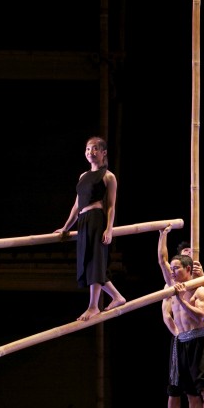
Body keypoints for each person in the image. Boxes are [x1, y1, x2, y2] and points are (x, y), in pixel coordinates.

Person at [54, 136, 126, 321]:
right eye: (87, 149)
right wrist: (65, 227)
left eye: (94, 149)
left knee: (95, 262)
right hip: (83, 220)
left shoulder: (108, 176)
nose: (90, 152)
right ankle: (117, 297)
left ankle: (93, 306)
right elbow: (76, 205)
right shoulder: (83, 176)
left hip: (96, 219)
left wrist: (109, 229)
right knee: (87, 263)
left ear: (103, 152)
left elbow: (111, 206)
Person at [158, 225, 204, 408]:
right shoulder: (172, 285)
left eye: (177, 268)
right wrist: (163, 234)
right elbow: (162, 261)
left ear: (189, 267)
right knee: (190, 392)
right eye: (173, 268)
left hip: (198, 339)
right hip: (181, 340)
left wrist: (184, 299)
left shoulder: (200, 287)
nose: (173, 271)